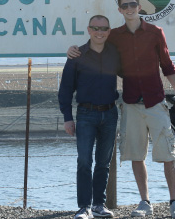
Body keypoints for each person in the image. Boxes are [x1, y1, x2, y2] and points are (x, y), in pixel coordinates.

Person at [67, 0, 175, 219]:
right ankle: (145, 202)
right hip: (130, 102)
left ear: (139, 7)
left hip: (156, 101)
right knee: (135, 154)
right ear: (120, 10)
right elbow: (95, 42)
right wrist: (73, 50)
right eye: (125, 5)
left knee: (168, 155)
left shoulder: (155, 33)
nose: (130, 8)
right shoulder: (115, 36)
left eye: (134, 4)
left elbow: (168, 66)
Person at [58, 15, 120, 219]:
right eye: (95, 28)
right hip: (85, 114)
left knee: (104, 161)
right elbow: (65, 90)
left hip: (110, 113)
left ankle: (98, 205)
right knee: (84, 161)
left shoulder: (115, 53)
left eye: (103, 29)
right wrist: (68, 117)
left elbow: (132, 72)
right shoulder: (77, 55)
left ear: (109, 31)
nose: (99, 32)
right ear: (88, 30)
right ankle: (84, 207)